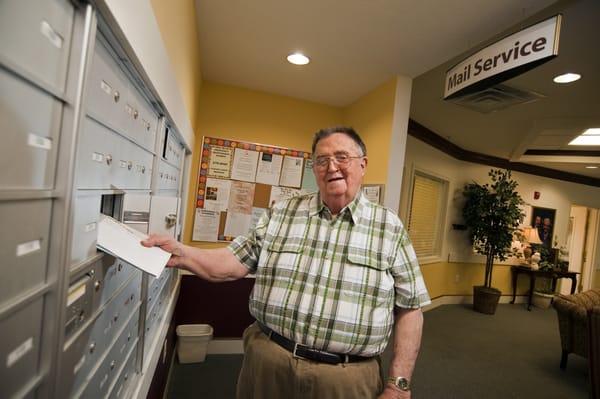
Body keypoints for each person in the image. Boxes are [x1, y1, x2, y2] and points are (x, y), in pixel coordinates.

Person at [142, 127, 430, 398]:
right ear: (314, 169)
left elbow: (411, 308)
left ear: (362, 164)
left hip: (347, 377)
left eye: (342, 157)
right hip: (268, 364)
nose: (331, 167)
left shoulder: (389, 227)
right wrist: (182, 253)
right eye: (321, 160)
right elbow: (234, 260)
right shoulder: (283, 212)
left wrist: (398, 384)